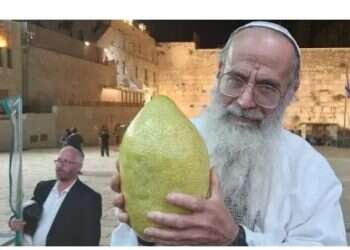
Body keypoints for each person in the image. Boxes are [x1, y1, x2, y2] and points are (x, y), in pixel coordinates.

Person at [110, 21, 348, 246]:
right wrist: (148, 235)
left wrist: (235, 239)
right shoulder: (167, 143)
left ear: (291, 90)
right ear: (219, 71)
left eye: (267, 88)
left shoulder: (309, 169)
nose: (245, 101)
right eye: (235, 79)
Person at [9, 146, 102, 246]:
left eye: (67, 162)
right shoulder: (43, 187)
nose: (60, 165)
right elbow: (27, 212)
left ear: (79, 167)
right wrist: (14, 221)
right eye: (59, 160)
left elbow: (91, 239)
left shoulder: (89, 198)